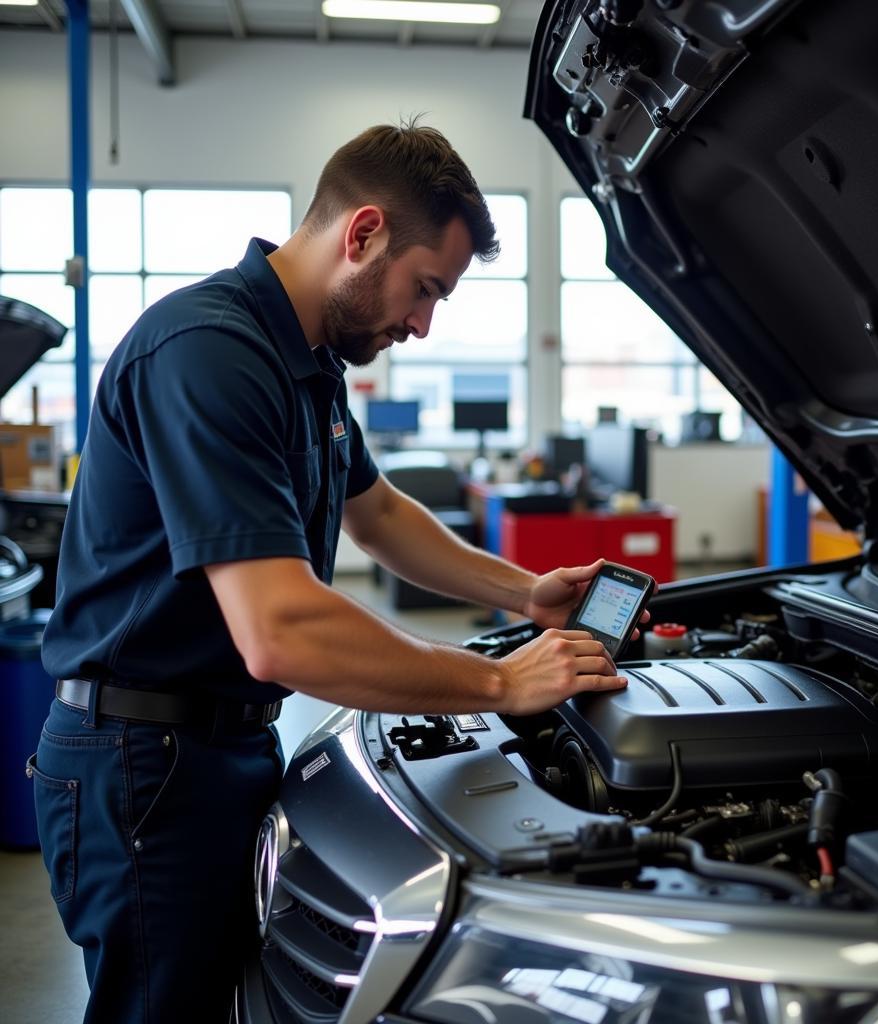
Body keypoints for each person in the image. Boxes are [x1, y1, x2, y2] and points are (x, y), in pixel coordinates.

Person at [30, 121, 642, 1024]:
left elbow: (381, 514)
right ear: (362, 235)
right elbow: (280, 630)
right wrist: (497, 682)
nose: (424, 324)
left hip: (217, 746)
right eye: (424, 287)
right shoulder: (209, 352)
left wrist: (524, 592)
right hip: (142, 762)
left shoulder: (308, 362)